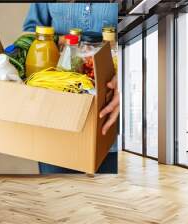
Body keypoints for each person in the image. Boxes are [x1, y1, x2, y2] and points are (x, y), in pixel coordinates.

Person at [23, 3, 120, 174]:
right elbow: (32, 34)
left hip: (110, 120)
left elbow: (150, 27)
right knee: (59, 196)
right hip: (56, 119)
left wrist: (128, 74)